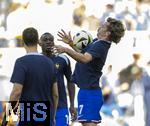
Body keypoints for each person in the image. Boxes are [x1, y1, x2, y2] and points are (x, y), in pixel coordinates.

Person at [55, 17, 125, 126]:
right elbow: (83, 54)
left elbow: (84, 59)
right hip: (86, 91)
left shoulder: (101, 45)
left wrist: (66, 50)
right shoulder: (97, 43)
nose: (99, 27)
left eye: (102, 26)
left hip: (90, 92)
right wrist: (70, 43)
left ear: (107, 33)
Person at [2, 27, 58, 126]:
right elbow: (55, 94)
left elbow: (16, 92)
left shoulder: (21, 62)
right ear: (38, 41)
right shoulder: (50, 63)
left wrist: (6, 117)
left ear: (23, 41)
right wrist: (53, 116)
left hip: (28, 113)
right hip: (46, 113)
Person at [39, 32, 76, 126]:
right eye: (45, 40)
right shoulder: (36, 60)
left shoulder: (63, 59)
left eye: (51, 40)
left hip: (61, 106)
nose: (48, 42)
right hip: (41, 108)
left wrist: (72, 104)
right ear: (39, 43)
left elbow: (70, 81)